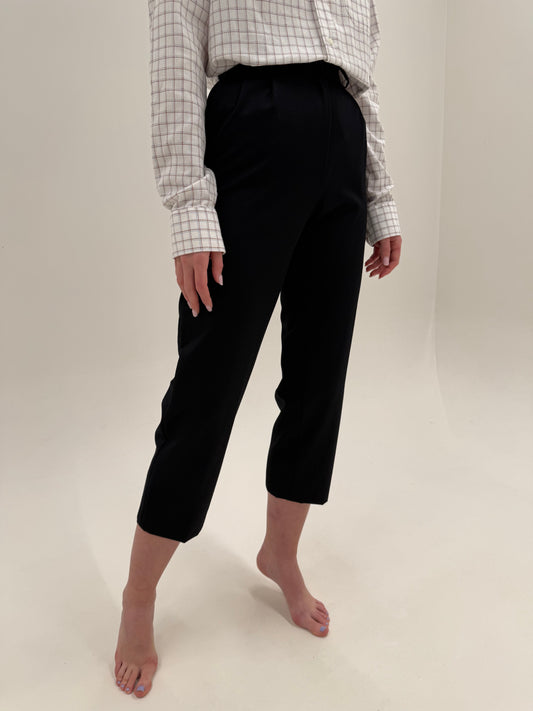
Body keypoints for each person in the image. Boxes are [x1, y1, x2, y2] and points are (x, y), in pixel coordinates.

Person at [114, 0, 402, 699]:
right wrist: (189, 206)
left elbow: (360, 81)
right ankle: (139, 593)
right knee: (207, 386)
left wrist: (381, 198)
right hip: (252, 127)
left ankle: (280, 552)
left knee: (318, 378)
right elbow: (175, 52)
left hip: (341, 139)